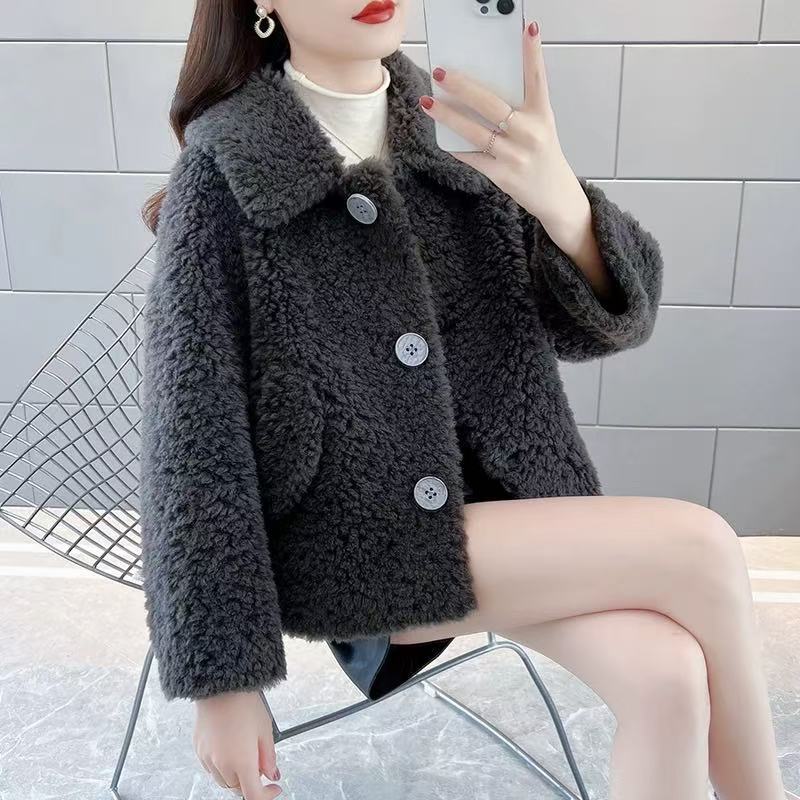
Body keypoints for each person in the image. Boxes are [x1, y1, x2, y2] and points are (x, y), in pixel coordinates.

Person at [138, 2, 789, 799]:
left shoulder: (457, 122)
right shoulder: (226, 167)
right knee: (703, 548)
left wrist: (558, 196)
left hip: (511, 513)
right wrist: (224, 684)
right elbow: (191, 439)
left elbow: (601, 327)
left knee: (669, 678)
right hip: (359, 544)